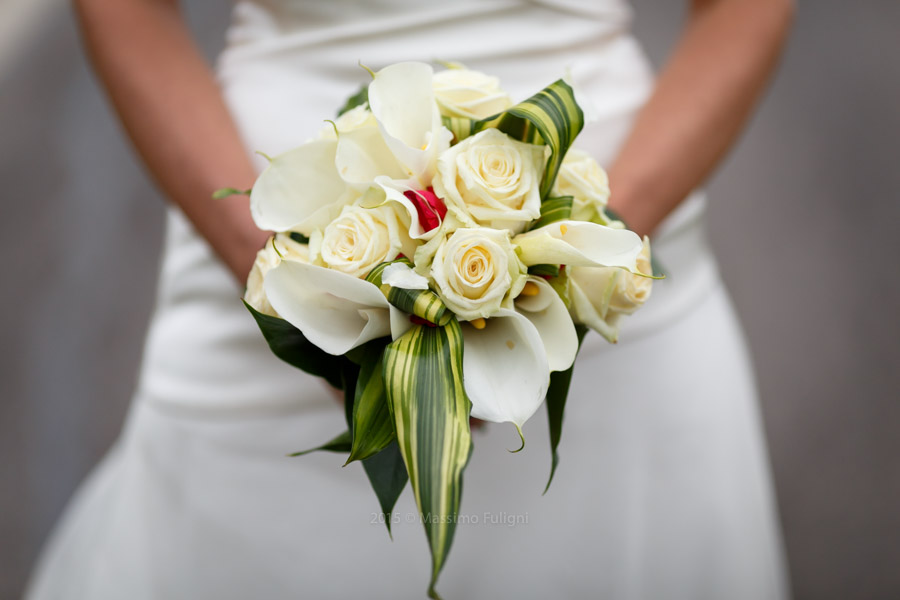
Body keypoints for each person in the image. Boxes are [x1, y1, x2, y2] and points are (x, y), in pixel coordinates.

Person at [27, 0, 795, 598]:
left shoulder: (589, 262)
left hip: (620, 263)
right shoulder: (279, 279)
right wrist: (288, 285)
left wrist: (575, 262)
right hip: (271, 255)